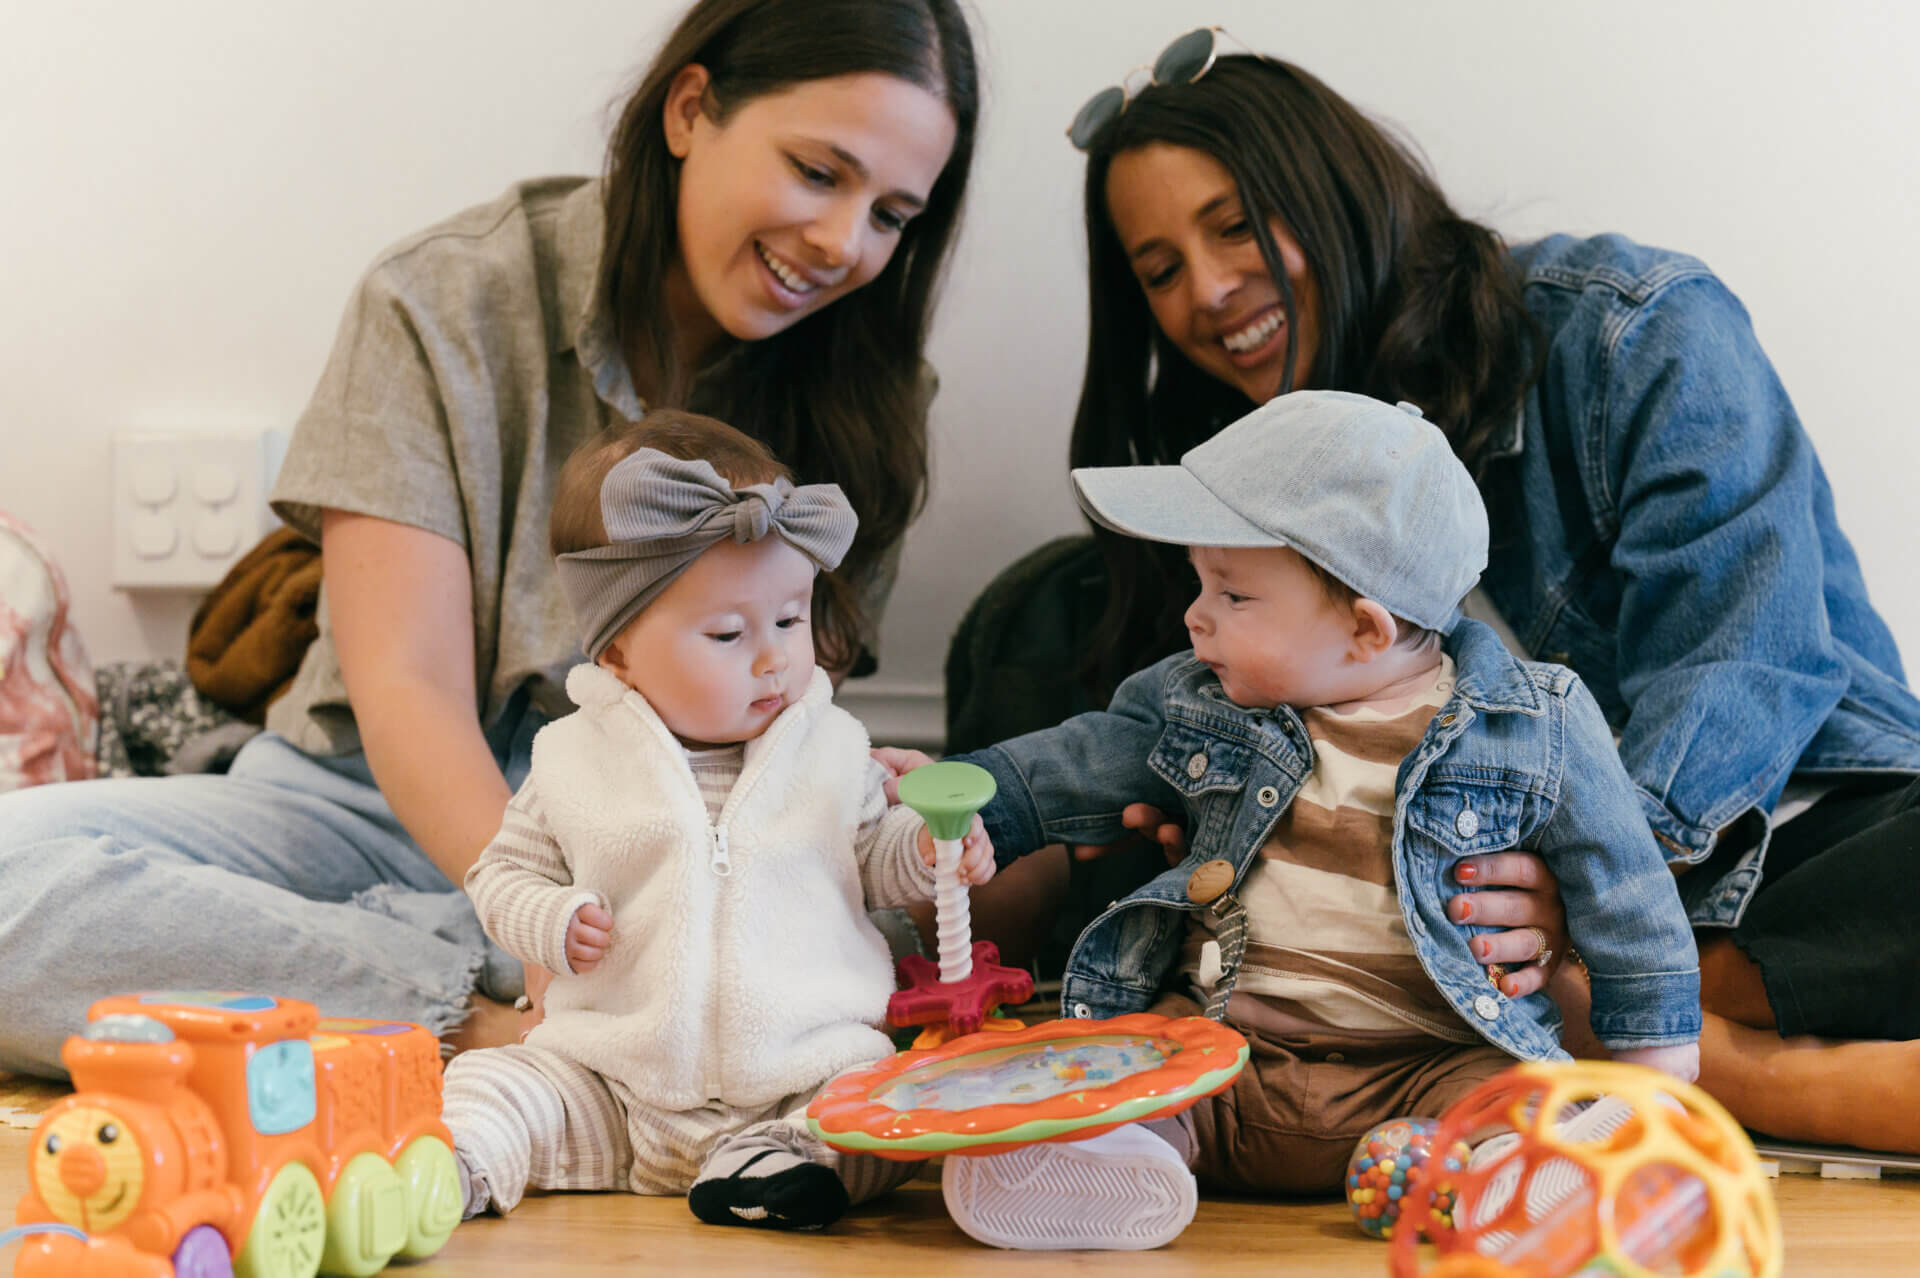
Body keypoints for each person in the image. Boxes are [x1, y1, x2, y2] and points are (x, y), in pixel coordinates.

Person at [950, 30, 1920, 1152]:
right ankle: (1714, 1061)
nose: (1210, 290)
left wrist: (1589, 888)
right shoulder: (1232, 487)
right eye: (1160, 271)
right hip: (1426, 926)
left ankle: (1662, 1029)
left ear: (1342, 194)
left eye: (1235, 224)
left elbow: (1751, 655)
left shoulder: (1628, 322)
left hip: (1761, 840)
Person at [0, 0, 979, 1079]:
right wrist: (528, 924)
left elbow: (784, 711)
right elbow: (408, 688)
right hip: (361, 805)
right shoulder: (445, 298)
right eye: (817, 172)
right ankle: (482, 1027)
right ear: (691, 109)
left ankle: (380, 1003)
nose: (844, 242)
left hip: (668, 839)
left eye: (892, 215)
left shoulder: (870, 399)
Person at [932, 390, 1701, 1250]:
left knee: (1508, 1102)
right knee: (1130, 1077)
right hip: (1227, 1051)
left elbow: (1631, 900)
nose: (1195, 616)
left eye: (1233, 594)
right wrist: (962, 801)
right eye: (1201, 585)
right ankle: (1121, 1164)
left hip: (1431, 1065)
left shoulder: (1532, 725)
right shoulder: (1198, 701)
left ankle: (1502, 1172)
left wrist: (1655, 1077)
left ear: (1366, 629)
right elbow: (1077, 760)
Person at [445, 412, 993, 1231]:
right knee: (500, 1086)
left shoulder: (833, 751)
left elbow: (874, 860)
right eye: (729, 633)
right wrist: (550, 919)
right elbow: (498, 876)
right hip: (614, 1078)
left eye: (790, 618)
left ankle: (773, 1165)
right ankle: (456, 1164)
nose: (773, 657)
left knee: (878, 1107)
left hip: (802, 1068)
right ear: (619, 652)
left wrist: (928, 849)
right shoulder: (572, 761)